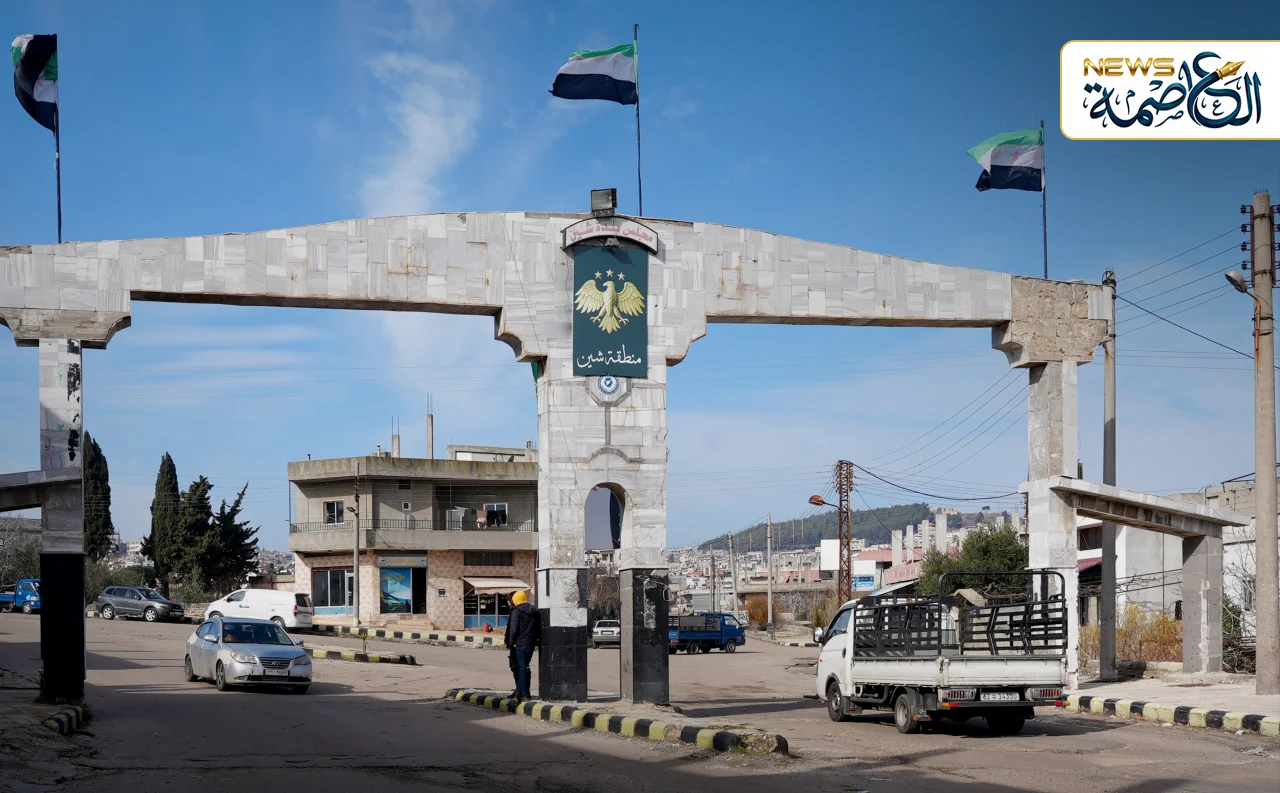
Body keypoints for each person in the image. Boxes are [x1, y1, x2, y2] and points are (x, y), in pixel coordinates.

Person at [503, 589, 539, 701]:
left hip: (519, 644)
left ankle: (523, 694)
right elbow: (538, 627)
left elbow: (513, 629)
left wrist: (511, 642)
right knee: (524, 668)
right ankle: (519, 693)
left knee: (521, 668)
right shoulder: (534, 610)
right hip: (530, 643)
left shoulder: (516, 611)